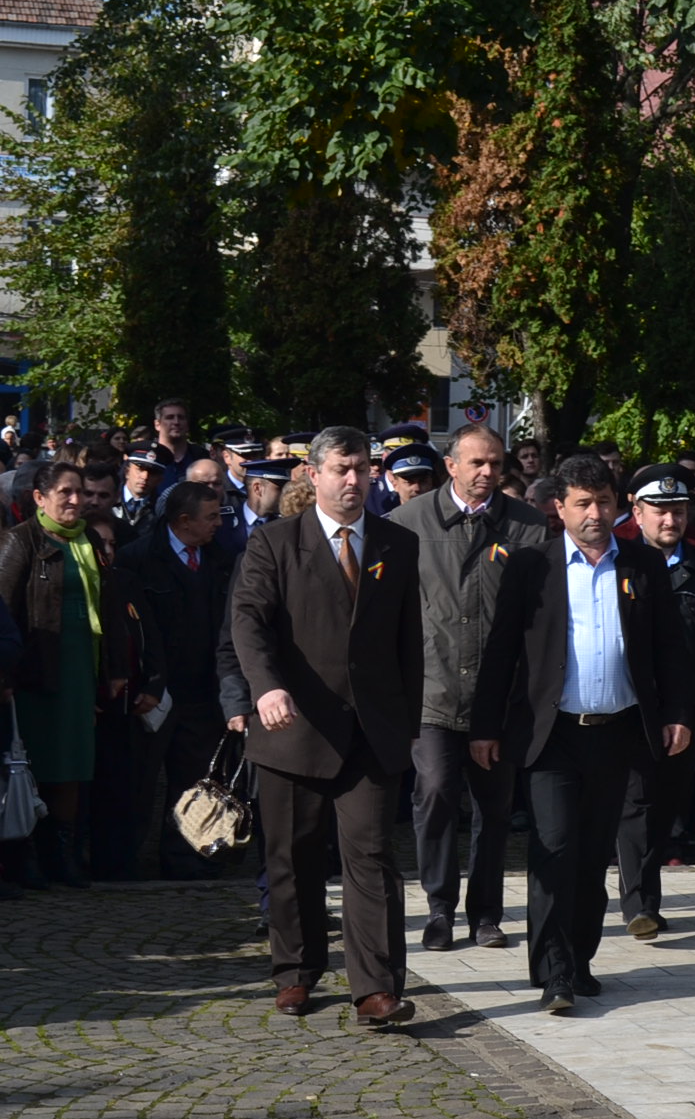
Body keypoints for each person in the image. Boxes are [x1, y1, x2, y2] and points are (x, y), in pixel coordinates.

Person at [468, 454, 695, 1013]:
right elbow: (500, 653)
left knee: (595, 854)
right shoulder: (531, 567)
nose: (595, 513)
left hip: (616, 732)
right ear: (560, 508)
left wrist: (679, 713)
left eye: (604, 502)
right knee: (555, 847)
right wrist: (485, 725)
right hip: (553, 736)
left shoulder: (640, 565)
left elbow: (671, 649)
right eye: (583, 504)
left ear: (618, 506)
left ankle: (581, 958)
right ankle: (554, 971)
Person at [231, 426, 425, 1027]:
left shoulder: (397, 542)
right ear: (311, 475)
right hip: (293, 727)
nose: (352, 480)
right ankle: (296, 972)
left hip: (370, 732)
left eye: (361, 469)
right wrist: (265, 687)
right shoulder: (274, 544)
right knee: (294, 858)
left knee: (370, 857)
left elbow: (408, 641)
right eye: (340, 468)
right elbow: (248, 621)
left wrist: (408, 722)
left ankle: (376, 987)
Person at [389, 424, 550, 952]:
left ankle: (486, 913)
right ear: (450, 465)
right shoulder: (405, 524)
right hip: (431, 694)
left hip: (497, 697)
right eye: (476, 463)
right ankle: (439, 908)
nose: (486, 473)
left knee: (495, 808)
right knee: (434, 793)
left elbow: (538, 613)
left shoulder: (527, 525)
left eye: (495, 464)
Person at [0, 463, 118, 891]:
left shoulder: (86, 539)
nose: (76, 500)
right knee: (29, 766)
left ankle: (60, 854)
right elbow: (7, 611)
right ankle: (24, 856)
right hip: (33, 675)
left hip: (77, 672)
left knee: (71, 767)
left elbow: (107, 607)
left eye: (80, 492)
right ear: (39, 497)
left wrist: (113, 671)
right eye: (65, 492)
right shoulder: (19, 541)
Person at [115, 480, 237, 882]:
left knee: (194, 781)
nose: (219, 523)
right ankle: (125, 859)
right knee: (139, 780)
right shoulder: (139, 557)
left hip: (204, 691)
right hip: (154, 691)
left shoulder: (223, 558)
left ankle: (186, 857)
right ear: (184, 521)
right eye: (212, 517)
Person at [614, 463, 695, 939]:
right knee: (637, 801)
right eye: (659, 511)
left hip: (687, 707)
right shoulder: (621, 564)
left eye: (677, 510)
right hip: (634, 705)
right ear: (637, 511)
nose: (670, 520)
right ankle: (639, 903)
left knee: (670, 802)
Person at [117, 444, 167, 537]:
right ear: (127, 471)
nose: (145, 477)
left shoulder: (162, 510)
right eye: (140, 469)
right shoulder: (108, 499)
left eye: (152, 472)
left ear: (160, 480)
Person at [382, 442, 444, 507]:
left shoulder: (445, 516)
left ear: (431, 482)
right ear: (395, 485)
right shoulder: (390, 517)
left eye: (423, 481)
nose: (417, 488)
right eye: (410, 482)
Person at [150, 398, 194, 488]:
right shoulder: (147, 458)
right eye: (170, 417)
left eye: (181, 417)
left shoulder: (201, 457)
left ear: (187, 424)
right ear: (157, 424)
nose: (176, 422)